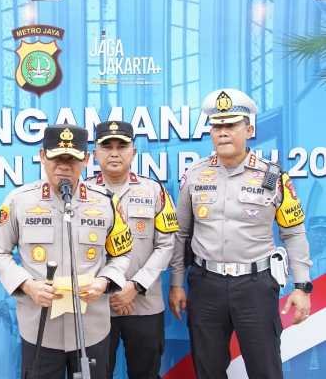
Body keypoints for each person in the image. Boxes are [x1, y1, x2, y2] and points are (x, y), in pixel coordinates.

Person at [169, 88, 313, 379]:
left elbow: (294, 233)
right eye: (217, 126)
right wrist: (176, 283)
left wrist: (301, 286)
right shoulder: (195, 175)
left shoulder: (273, 177)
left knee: (265, 370)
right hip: (206, 285)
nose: (223, 132)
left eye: (231, 125)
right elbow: (180, 233)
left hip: (255, 286)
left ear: (249, 129)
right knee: (208, 370)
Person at [0, 124, 133, 379]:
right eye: (57, 158)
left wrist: (104, 281)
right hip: (40, 328)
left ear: (86, 159)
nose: (64, 166)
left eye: (72, 159)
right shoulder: (19, 201)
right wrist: (27, 286)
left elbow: (121, 254)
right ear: (42, 156)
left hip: (91, 329)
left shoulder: (106, 202)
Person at [87, 121, 178, 379]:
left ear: (134, 152)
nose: (114, 153)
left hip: (144, 305)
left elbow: (166, 245)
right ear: (95, 153)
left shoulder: (155, 191)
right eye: (107, 147)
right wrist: (110, 289)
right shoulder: (82, 194)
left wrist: (134, 287)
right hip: (96, 306)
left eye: (122, 146)